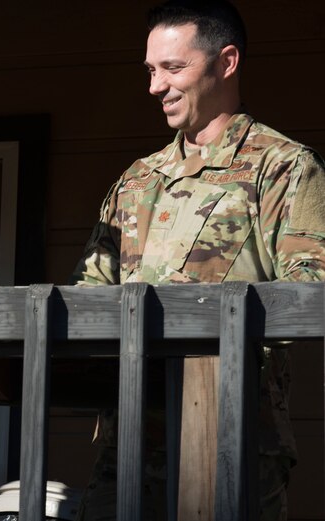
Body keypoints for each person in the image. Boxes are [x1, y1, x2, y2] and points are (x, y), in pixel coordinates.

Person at [71, 1, 325, 520]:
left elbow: (310, 290)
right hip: (128, 444)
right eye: (150, 70)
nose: (155, 86)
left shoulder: (282, 168)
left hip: (232, 438)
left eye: (173, 67)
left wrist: (194, 313)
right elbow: (88, 294)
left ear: (226, 62)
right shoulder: (137, 179)